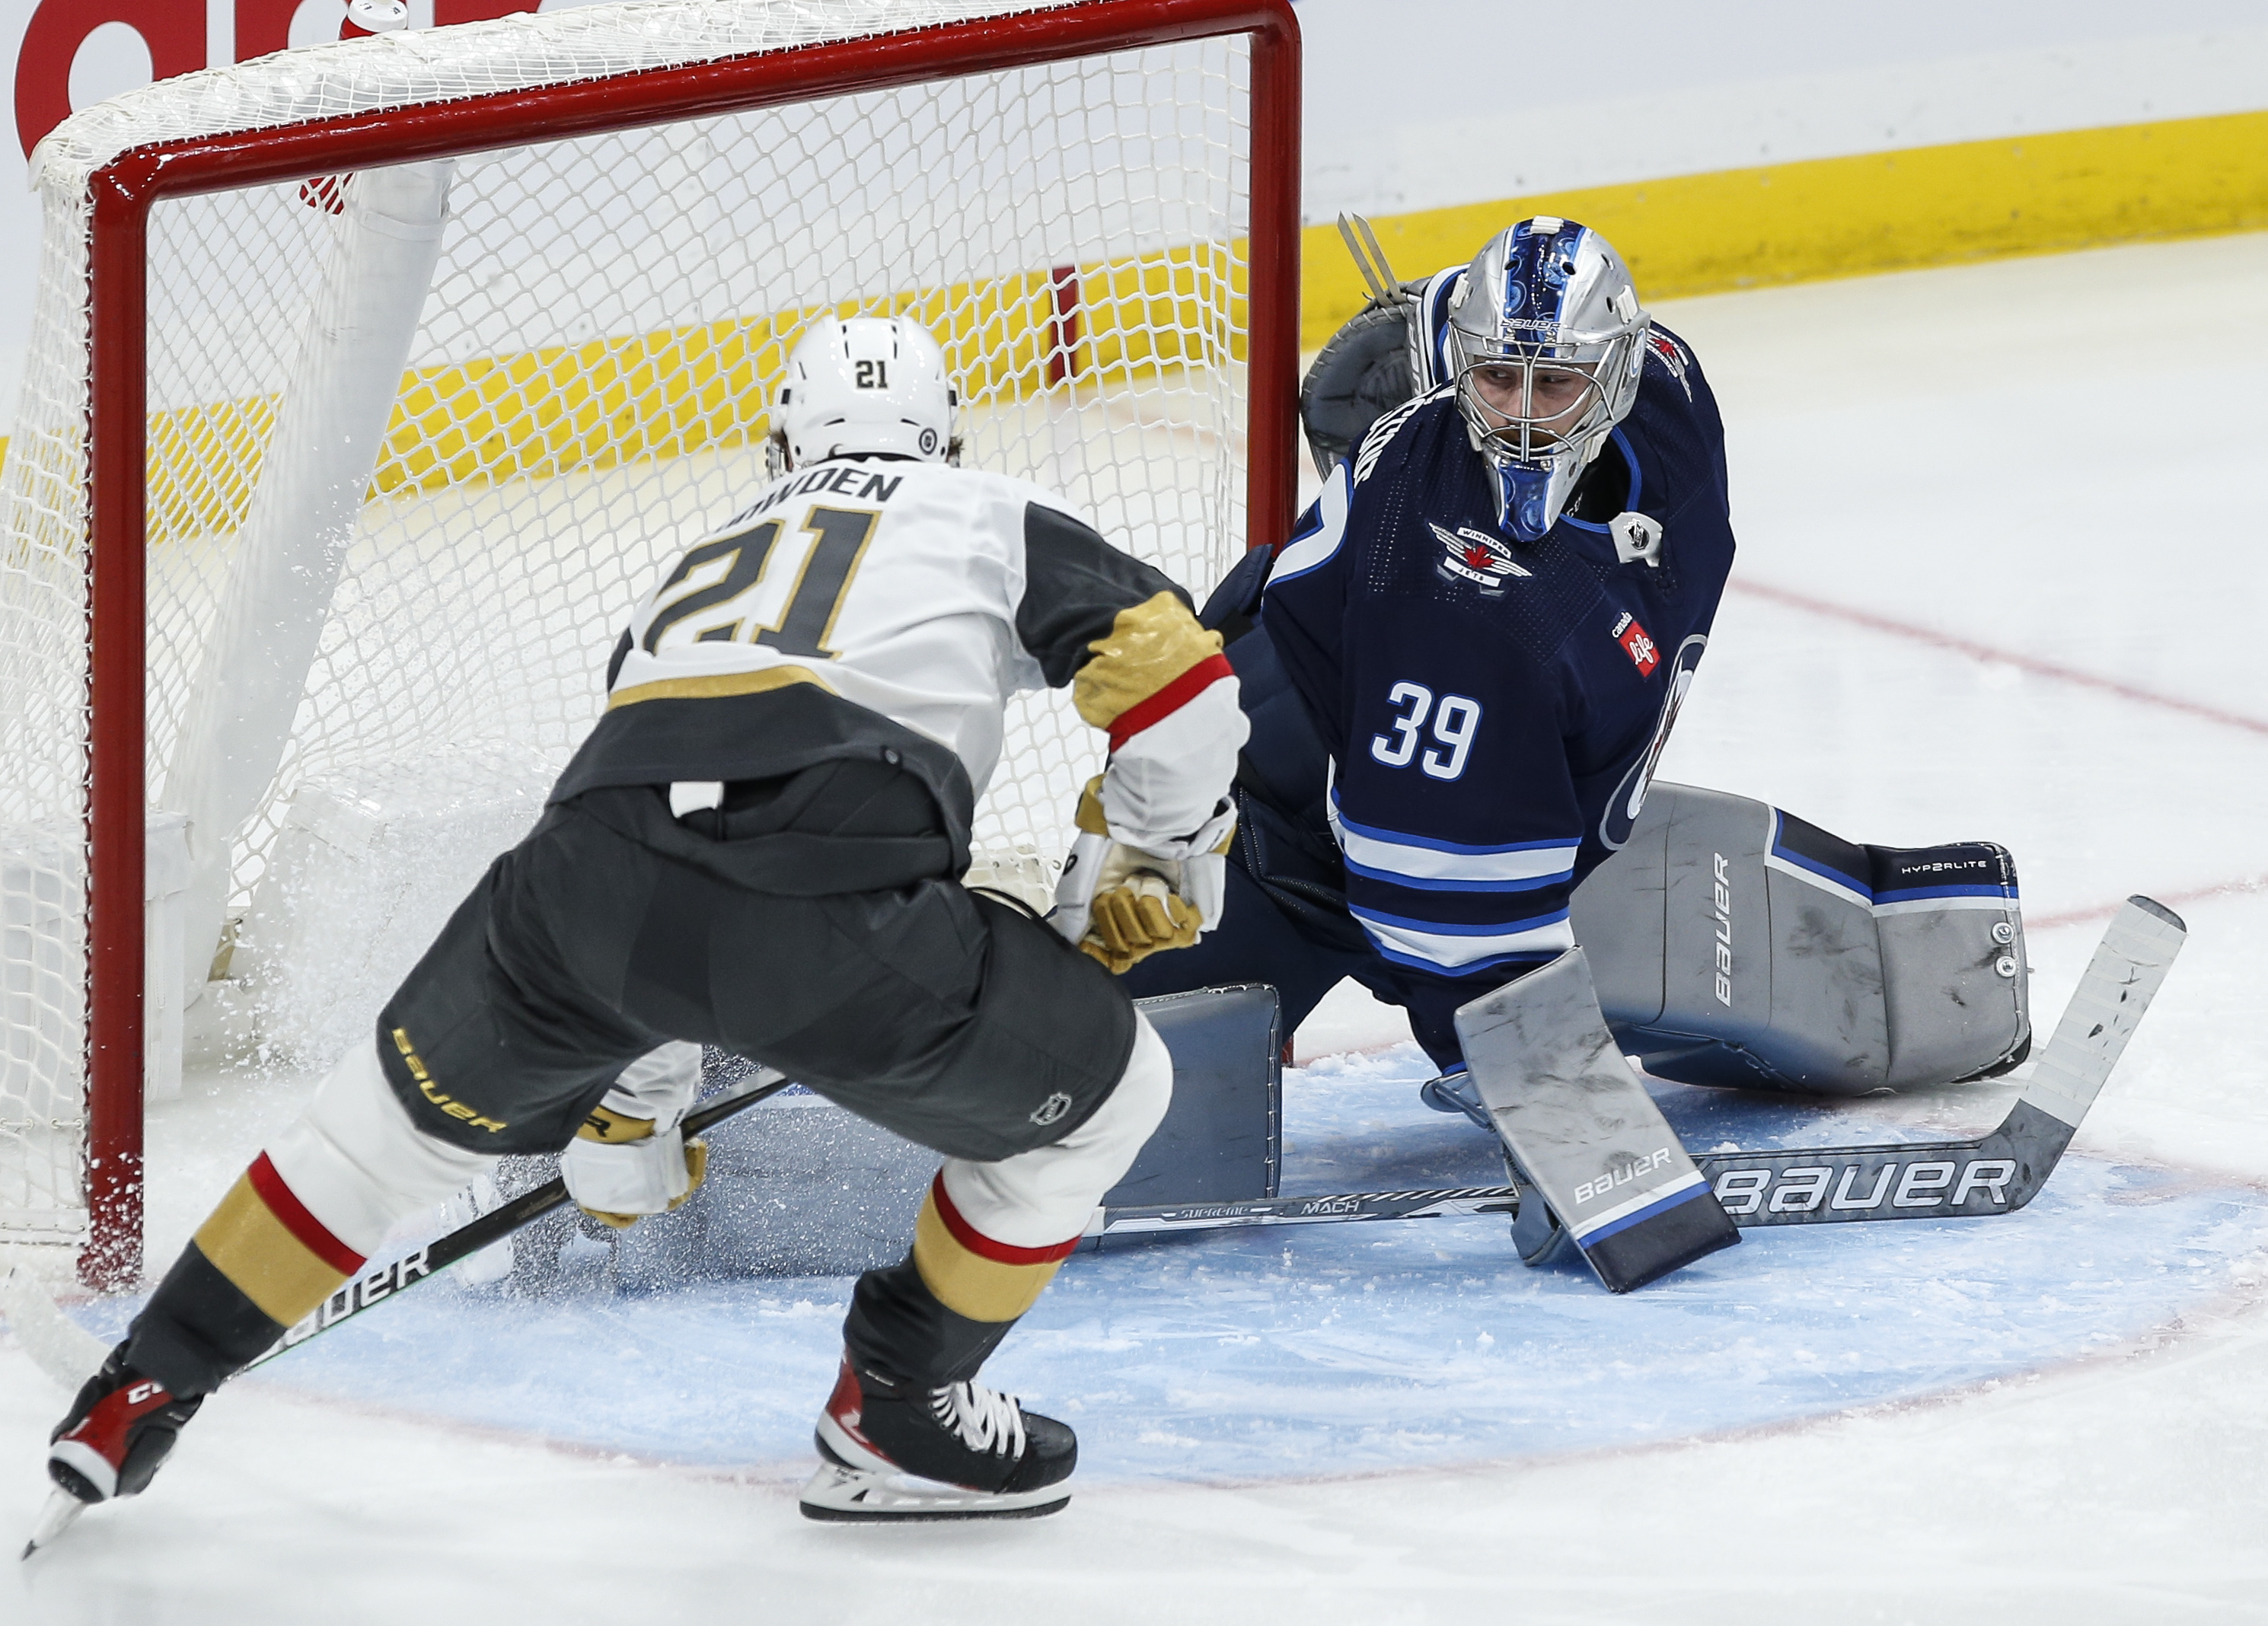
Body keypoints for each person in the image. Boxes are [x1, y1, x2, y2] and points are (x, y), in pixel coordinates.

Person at [45, 314, 1245, 1524]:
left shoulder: (694, 568)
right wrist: (1149, 853)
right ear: (945, 439)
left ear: (781, 448)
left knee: (364, 1151)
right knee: (1117, 1096)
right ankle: (897, 1408)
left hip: (574, 889)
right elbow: (1180, 674)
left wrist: (630, 1114)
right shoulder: (984, 508)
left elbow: (662, 852)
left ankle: (136, 1388)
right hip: (830, 905)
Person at [1122, 215, 1732, 1103]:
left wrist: (1437, 308)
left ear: (1621, 369)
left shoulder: (1670, 392)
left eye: (1553, 381)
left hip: (1344, 713)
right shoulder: (1455, 609)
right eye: (1493, 380)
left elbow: (1487, 312)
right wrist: (1519, 1072)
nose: (1521, 416)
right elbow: (1428, 903)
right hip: (1266, 839)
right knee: (1094, 1119)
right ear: (1459, 369)